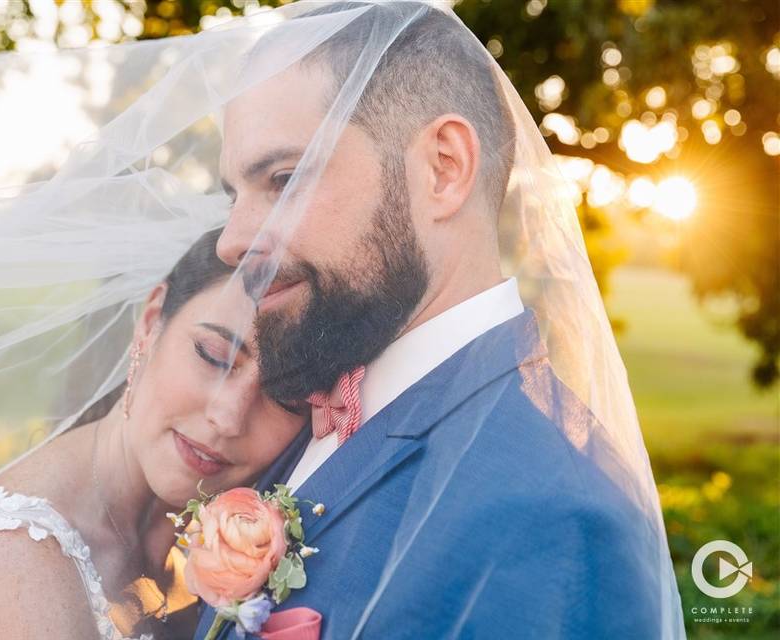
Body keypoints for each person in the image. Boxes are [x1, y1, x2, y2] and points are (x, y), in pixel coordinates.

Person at [194, 2, 684, 638]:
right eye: (236, 195)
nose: (230, 243)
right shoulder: (291, 410)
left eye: (283, 180)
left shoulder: (553, 515)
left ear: (442, 169)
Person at [0, 228, 307, 640]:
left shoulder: (185, 547)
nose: (229, 417)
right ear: (152, 321)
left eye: (284, 393)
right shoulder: (13, 561)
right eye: (213, 356)